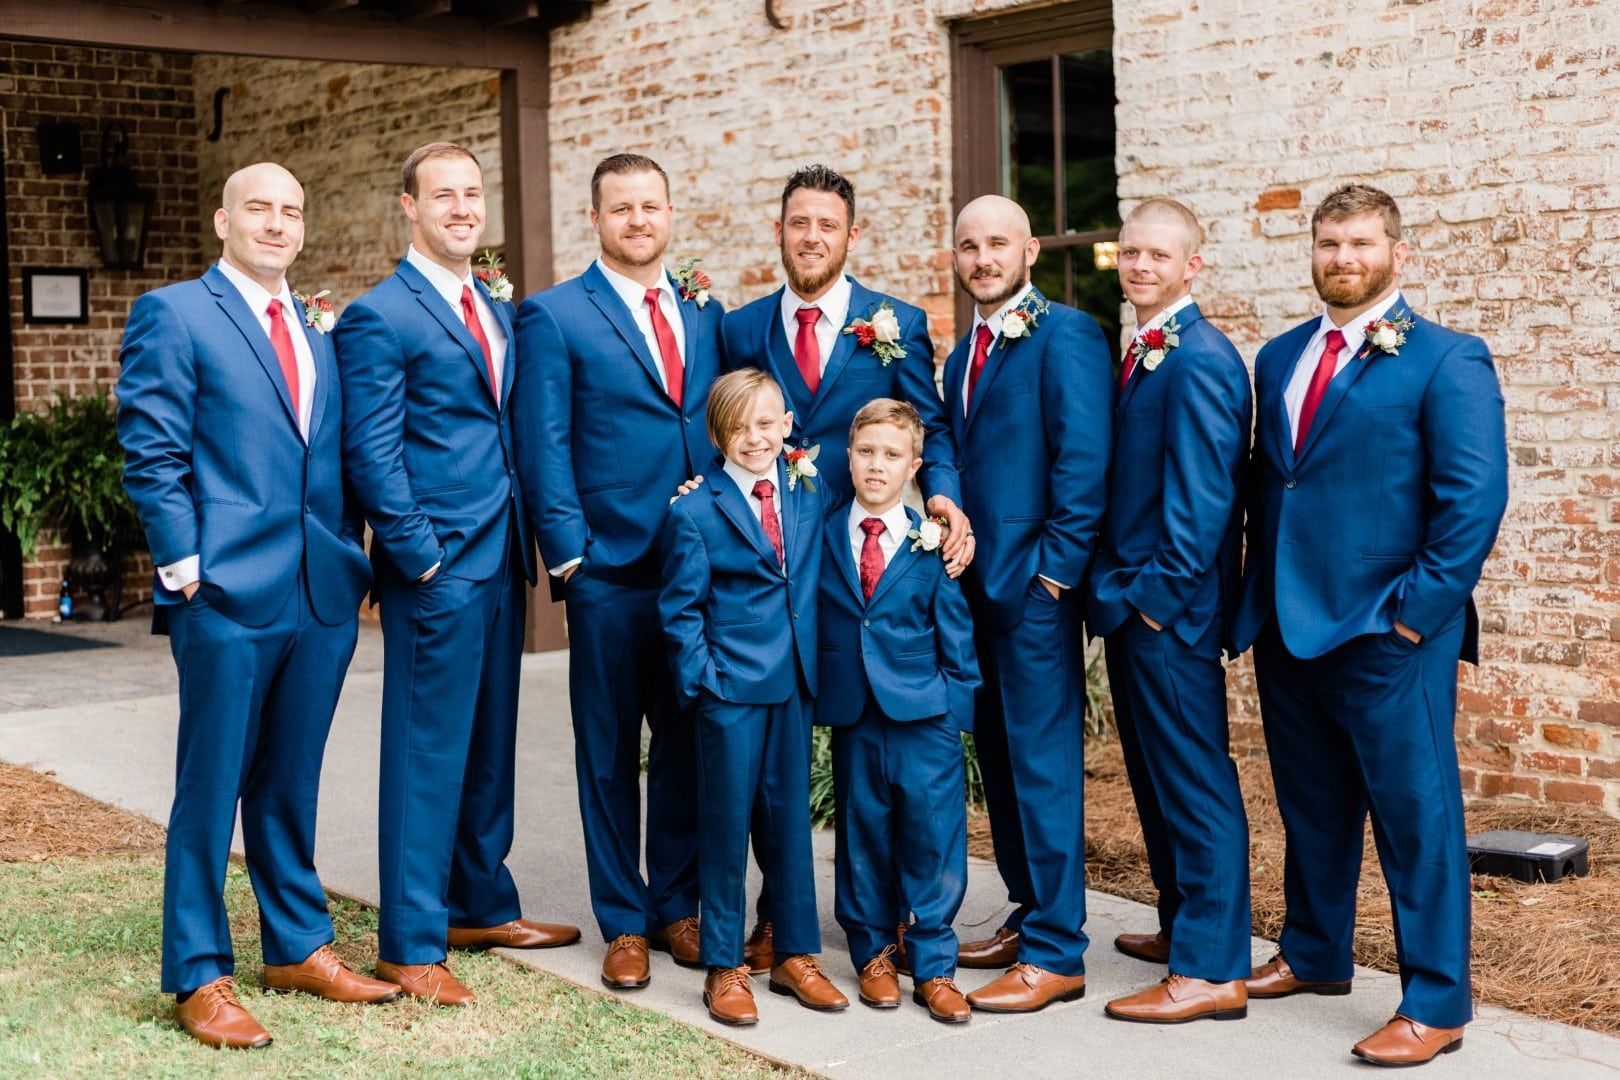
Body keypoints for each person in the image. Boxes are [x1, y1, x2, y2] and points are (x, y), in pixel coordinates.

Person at [1230, 183, 1508, 1067]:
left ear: (1396, 252)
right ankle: (1315, 953)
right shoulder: (1278, 358)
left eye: (1358, 244)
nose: (1342, 260)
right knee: (1312, 808)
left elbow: (1473, 501)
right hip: (1289, 625)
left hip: (1390, 636)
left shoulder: (1447, 360)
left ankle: (1437, 1002)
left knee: (1415, 820)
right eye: (1328, 245)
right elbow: (1276, 483)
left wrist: (1414, 621)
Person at [117, 162, 394, 1049]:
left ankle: (298, 945)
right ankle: (199, 974)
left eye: (291, 212)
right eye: (259, 210)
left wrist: (354, 559)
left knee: (289, 781)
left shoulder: (318, 328)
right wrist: (185, 567)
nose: (276, 224)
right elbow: (150, 448)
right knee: (212, 784)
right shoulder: (177, 312)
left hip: (318, 592)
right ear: (222, 222)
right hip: (225, 593)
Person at [337, 141, 578, 1007]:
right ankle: (409, 940)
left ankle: (480, 903)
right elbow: (371, 450)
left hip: (500, 556)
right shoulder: (380, 316)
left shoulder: (495, 308)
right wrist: (421, 555)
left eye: (473, 194)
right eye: (443, 195)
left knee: (489, 746)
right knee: (426, 750)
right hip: (438, 566)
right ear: (409, 206)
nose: (462, 208)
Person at [720, 163, 973, 975]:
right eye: (799, 223)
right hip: (771, 571)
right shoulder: (741, 327)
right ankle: (777, 917)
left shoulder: (891, 320)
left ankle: (900, 925)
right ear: (780, 230)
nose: (812, 237)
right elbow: (722, 431)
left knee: (875, 761)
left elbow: (929, 425)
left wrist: (945, 502)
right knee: (777, 756)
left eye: (828, 224)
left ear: (851, 234)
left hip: (867, 566)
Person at [511, 153, 716, 988]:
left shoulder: (705, 309)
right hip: (609, 570)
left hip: (697, 571)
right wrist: (572, 559)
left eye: (651, 206)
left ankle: (676, 905)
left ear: (671, 215)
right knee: (606, 752)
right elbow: (543, 442)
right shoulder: (554, 316)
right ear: (595, 220)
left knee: (684, 744)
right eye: (621, 208)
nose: (639, 221)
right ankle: (623, 919)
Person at [943, 194, 1113, 1013]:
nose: (982, 258)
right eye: (969, 246)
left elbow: (1084, 463)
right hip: (973, 589)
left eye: (997, 244)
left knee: (1043, 770)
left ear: (1031, 250)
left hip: (1036, 594)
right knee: (1004, 766)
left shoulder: (1069, 335)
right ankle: (1027, 911)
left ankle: (1058, 951)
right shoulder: (961, 351)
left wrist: (1054, 577)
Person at [1087, 198, 1254, 1024]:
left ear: (1193, 266)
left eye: (1159, 255)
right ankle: (1181, 923)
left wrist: (1148, 606)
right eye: (1130, 254)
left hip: (1169, 616)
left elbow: (1202, 511)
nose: (1141, 266)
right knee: (1157, 780)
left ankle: (1214, 968)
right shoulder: (1149, 350)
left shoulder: (1201, 360)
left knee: (1195, 784)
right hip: (1138, 610)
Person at [658, 368, 846, 1026]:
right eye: (738, 428)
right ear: (717, 435)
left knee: (789, 822)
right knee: (727, 825)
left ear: (787, 424)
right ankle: (724, 964)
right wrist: (704, 682)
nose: (754, 438)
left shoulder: (807, 485)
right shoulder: (695, 508)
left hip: (792, 684)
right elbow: (680, 610)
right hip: (730, 691)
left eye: (766, 424)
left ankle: (795, 954)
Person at [816, 399, 981, 1024]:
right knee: (864, 833)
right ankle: (874, 953)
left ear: (915, 464)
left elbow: (956, 635)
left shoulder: (932, 542)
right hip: (855, 712)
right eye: (866, 453)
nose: (876, 466)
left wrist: (953, 717)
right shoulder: (826, 531)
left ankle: (935, 963)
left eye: (891, 455)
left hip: (924, 716)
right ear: (848, 457)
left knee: (933, 837)